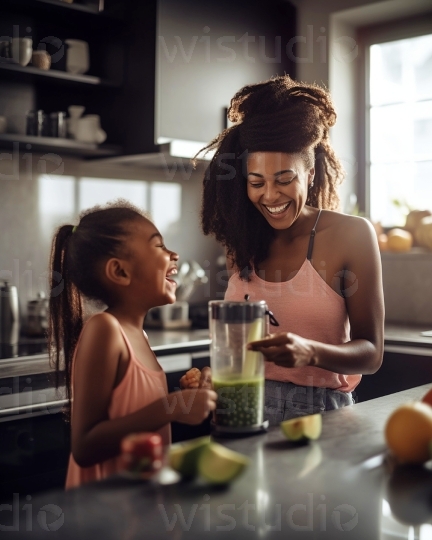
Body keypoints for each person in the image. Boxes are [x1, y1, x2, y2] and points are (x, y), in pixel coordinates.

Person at [196, 75, 384, 425]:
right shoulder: (241, 241)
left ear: (310, 174)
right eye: (257, 183)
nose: (270, 196)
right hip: (239, 406)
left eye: (284, 179)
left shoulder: (351, 235)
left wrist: (310, 352)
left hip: (318, 414)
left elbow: (371, 354)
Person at [48, 201, 217, 488]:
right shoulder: (105, 330)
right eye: (159, 246)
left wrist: (185, 398)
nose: (173, 254)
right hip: (105, 507)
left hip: (140, 498)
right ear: (120, 272)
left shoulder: (138, 334)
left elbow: (133, 414)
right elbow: (85, 446)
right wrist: (172, 407)